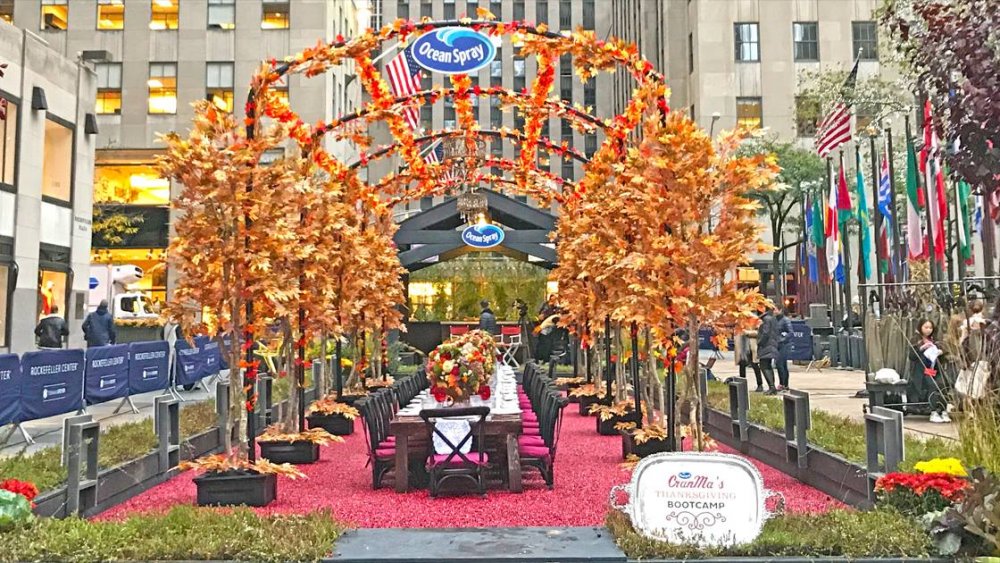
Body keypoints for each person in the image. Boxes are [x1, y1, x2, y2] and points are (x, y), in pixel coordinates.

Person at [908, 319, 949, 423]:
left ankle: (943, 410)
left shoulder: (935, 340)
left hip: (934, 370)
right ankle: (933, 411)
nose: (928, 330)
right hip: (922, 371)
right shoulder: (915, 340)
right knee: (932, 385)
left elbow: (945, 351)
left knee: (943, 384)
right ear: (920, 327)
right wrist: (922, 348)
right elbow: (912, 356)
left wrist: (941, 352)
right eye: (926, 327)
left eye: (930, 328)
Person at [755, 308, 779, 395]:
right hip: (771, 344)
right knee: (767, 365)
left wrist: (759, 342)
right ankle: (772, 387)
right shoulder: (772, 318)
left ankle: (772, 387)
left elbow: (765, 333)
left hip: (766, 345)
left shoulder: (766, 319)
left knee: (764, 365)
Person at [735, 318, 763, 392]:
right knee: (742, 365)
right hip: (742, 346)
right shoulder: (740, 319)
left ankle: (760, 385)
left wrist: (747, 332)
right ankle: (742, 385)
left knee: (755, 365)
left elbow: (759, 333)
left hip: (751, 346)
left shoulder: (757, 320)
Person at [774, 306, 793, 390]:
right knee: (781, 365)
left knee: (780, 364)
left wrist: (782, 340)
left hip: (784, 345)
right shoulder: (775, 320)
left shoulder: (785, 320)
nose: (774, 311)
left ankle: (783, 384)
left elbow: (790, 332)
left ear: (780, 310)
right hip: (777, 345)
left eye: (775, 309)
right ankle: (784, 384)